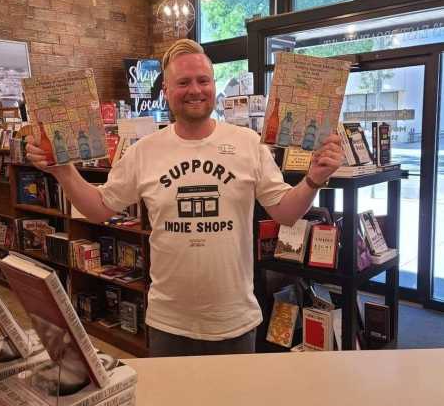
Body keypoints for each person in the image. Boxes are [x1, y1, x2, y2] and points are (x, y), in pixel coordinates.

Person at [26, 39, 344, 357]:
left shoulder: (249, 144)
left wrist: (313, 179)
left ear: (213, 85)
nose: (195, 89)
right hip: (169, 323)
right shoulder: (143, 152)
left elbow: (285, 213)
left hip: (234, 320)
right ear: (166, 90)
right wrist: (63, 172)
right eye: (183, 82)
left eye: (202, 80)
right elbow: (98, 209)